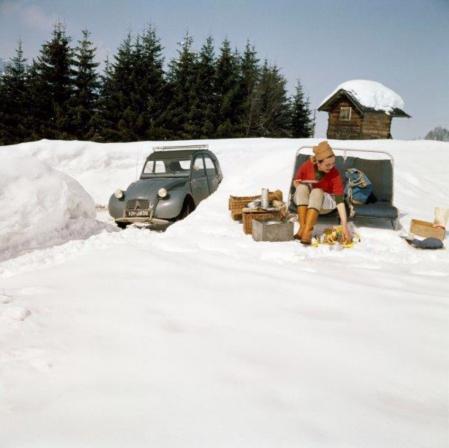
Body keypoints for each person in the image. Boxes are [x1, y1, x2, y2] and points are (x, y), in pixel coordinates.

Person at [293, 141, 352, 245]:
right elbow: (296, 181)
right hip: (307, 203)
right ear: (318, 162)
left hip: (325, 205)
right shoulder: (307, 166)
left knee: (317, 191)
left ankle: (308, 230)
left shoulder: (334, 173)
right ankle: (303, 228)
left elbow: (339, 200)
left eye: (333, 163)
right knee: (302, 187)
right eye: (328, 164)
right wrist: (304, 186)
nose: (331, 167)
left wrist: (344, 226)